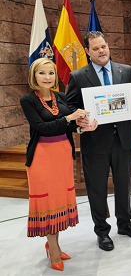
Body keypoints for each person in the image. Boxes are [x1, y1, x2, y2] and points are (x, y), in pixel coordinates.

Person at [66, 31, 131, 251]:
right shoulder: (78, 76)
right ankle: (102, 232)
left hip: (123, 139)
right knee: (97, 189)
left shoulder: (125, 70)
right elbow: (70, 109)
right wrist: (80, 122)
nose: (101, 51)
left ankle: (124, 224)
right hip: (95, 141)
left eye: (103, 46)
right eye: (95, 48)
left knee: (124, 185)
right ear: (87, 51)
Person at [20, 58, 97, 271]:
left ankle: (53, 243)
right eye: (42, 73)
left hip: (63, 155)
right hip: (42, 158)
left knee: (59, 201)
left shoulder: (61, 97)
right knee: (48, 204)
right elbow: (42, 127)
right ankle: (53, 249)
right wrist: (70, 117)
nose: (47, 77)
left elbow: (69, 127)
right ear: (33, 75)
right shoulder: (27, 100)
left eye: (51, 73)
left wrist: (83, 127)